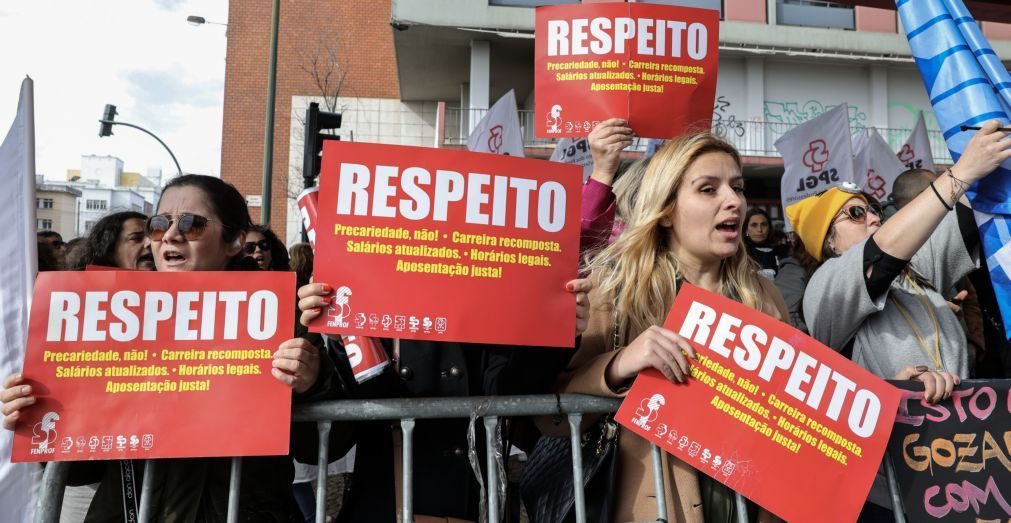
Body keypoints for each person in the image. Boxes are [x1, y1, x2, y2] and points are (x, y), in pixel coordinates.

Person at [2, 174, 342, 521]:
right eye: (159, 223)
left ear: (235, 241)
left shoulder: (283, 320)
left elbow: (326, 445)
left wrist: (311, 383)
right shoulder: (108, 322)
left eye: (192, 224)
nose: (171, 235)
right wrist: (39, 412)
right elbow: (78, 473)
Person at [541, 133, 788, 522]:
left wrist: (898, 394)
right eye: (709, 189)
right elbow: (548, 414)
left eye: (737, 188)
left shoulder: (764, 296)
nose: (734, 201)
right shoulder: (615, 288)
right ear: (668, 209)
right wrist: (619, 364)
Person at [294, 275, 590, 520]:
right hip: (388, 503)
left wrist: (557, 332)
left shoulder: (488, 299)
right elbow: (359, 409)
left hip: (476, 505)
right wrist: (340, 339)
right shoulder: (373, 291)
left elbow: (512, 386)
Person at [787, 124, 1011, 400]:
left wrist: (997, 148)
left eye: (874, 209)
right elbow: (881, 252)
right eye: (855, 213)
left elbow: (968, 212)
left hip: (956, 432)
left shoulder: (914, 270)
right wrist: (962, 171)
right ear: (828, 242)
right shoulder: (824, 286)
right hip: (895, 436)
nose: (873, 218)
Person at [70, 211, 155, 271]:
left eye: (153, 237)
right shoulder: (85, 294)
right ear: (110, 251)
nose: (150, 243)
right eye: (136, 238)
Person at [743, 208, 785, 279]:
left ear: (769, 228)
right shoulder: (739, 253)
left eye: (763, 224)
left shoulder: (782, 251)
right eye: (754, 225)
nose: (759, 230)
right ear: (746, 229)